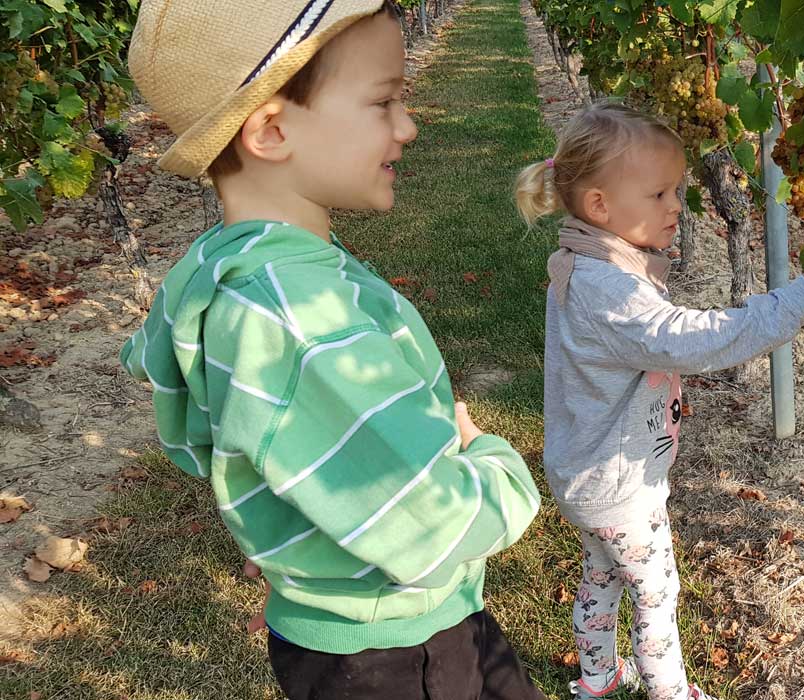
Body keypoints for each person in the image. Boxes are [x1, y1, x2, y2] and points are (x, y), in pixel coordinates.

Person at [121, 2, 545, 697]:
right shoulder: (296, 314)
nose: (407, 126)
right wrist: (496, 467)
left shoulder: (231, 269)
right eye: (384, 102)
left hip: (366, 631)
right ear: (271, 129)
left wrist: (285, 518)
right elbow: (431, 525)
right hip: (402, 652)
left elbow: (216, 433)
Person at [513, 101, 804, 700]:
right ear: (600, 207)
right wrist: (790, 303)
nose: (677, 207)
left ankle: (597, 679)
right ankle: (671, 693)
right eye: (660, 194)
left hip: (584, 474)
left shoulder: (585, 262)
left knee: (602, 578)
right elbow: (692, 341)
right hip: (620, 487)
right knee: (657, 595)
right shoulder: (610, 288)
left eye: (678, 191)